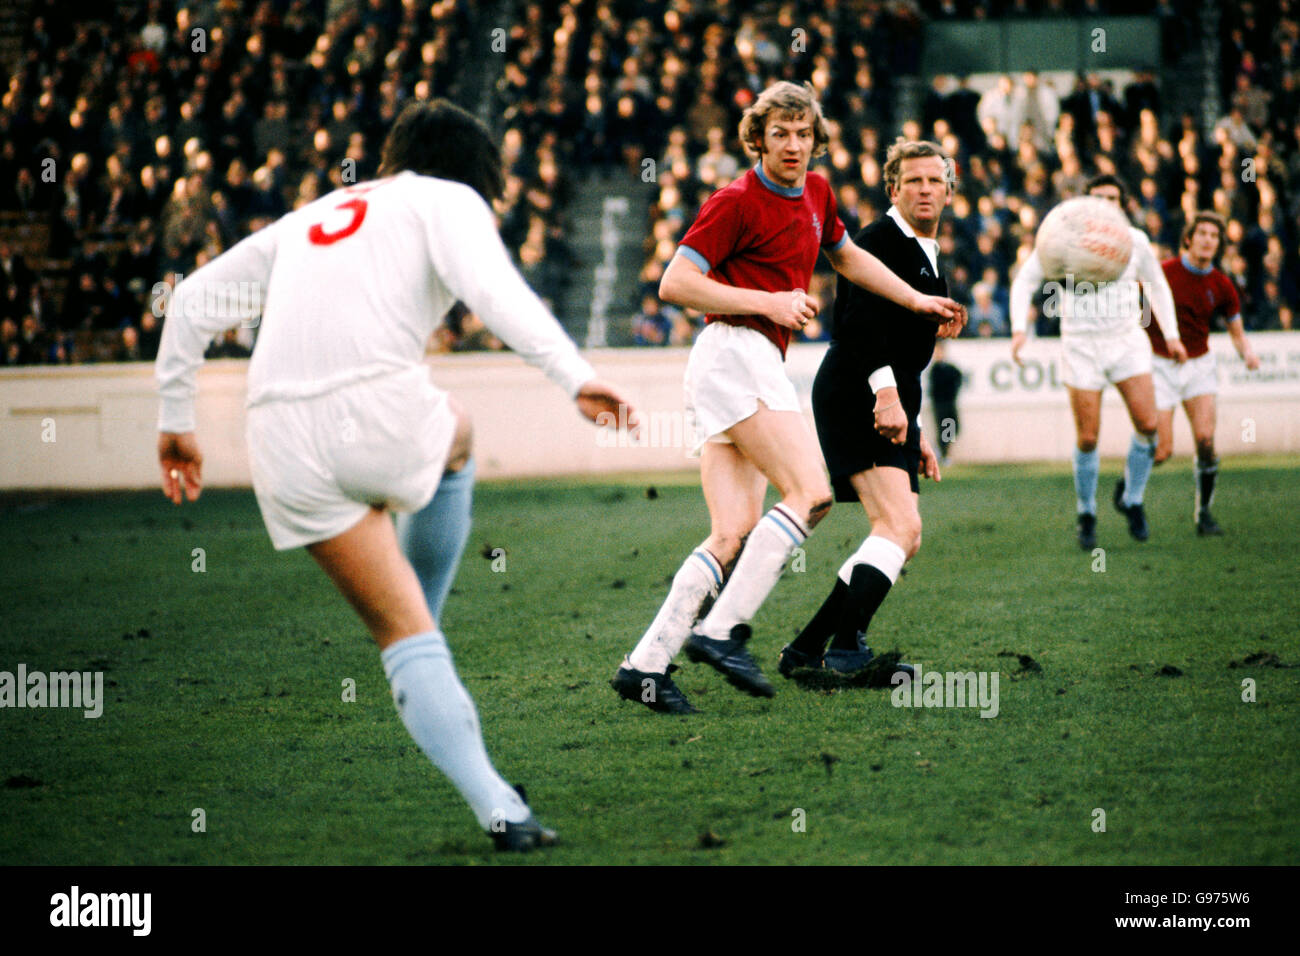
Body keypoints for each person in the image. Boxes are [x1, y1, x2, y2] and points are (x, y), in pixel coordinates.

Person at [154, 99, 637, 852]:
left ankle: (499, 806)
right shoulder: (449, 200)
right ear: (479, 172)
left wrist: (177, 423)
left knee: (398, 637)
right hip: (376, 409)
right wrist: (575, 377)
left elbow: (188, 301)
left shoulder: (309, 216)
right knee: (461, 435)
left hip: (276, 435)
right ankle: (434, 639)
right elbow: (495, 293)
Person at [609, 84, 963, 714]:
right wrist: (768, 302)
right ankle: (721, 632)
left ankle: (644, 666)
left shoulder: (819, 194)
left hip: (747, 362)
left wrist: (916, 300)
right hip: (733, 353)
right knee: (813, 494)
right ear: (758, 139)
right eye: (780, 134)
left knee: (732, 532)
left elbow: (849, 259)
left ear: (816, 141)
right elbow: (675, 282)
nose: (794, 145)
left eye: (804, 135)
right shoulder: (736, 200)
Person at [779, 140, 966, 677]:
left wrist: (918, 430)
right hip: (856, 388)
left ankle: (805, 650)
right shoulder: (878, 239)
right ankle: (844, 650)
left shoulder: (926, 252)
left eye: (935, 180)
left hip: (884, 391)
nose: (925, 189)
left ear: (949, 192)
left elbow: (908, 353)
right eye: (913, 181)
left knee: (901, 532)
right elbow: (858, 322)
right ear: (893, 190)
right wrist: (886, 394)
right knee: (898, 527)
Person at [1009, 174, 1188, 549]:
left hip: (1126, 341)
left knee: (1149, 425)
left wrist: (1171, 336)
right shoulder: (1062, 238)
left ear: (1123, 204)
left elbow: (1158, 287)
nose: (1106, 204)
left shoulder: (1135, 241)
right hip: (1080, 345)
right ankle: (1086, 512)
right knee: (1088, 437)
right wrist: (1018, 329)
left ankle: (1132, 499)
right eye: (1098, 198)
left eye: (1112, 197)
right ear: (1084, 204)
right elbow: (1025, 280)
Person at [1135, 211, 1260, 534]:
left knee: (1205, 440)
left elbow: (1235, 330)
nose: (1207, 239)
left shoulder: (1221, 284)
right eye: (1201, 233)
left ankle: (1203, 513)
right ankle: (1129, 488)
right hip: (1161, 365)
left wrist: (1247, 353)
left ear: (1218, 244)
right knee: (1162, 451)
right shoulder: (1163, 274)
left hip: (1199, 365)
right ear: (1188, 239)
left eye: (1214, 235)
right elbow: (1137, 310)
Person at [928, 340, 963, 466]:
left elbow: (958, 377)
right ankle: (943, 454)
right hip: (940, 404)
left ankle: (944, 452)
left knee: (953, 428)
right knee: (943, 429)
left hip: (950, 402)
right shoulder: (935, 370)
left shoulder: (949, 368)